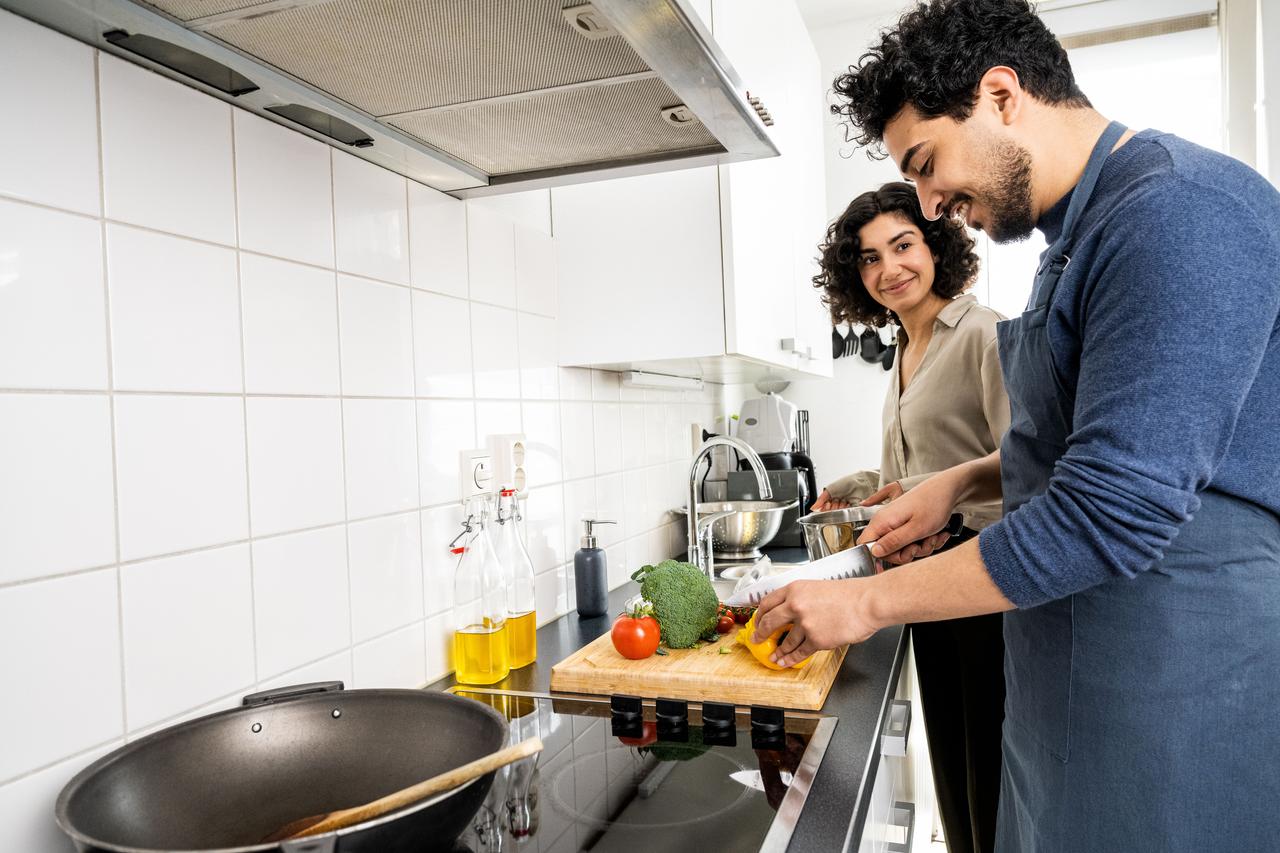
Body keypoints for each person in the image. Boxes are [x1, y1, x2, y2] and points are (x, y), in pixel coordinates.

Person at [753, 1, 1280, 851]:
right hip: (1064, 690)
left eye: (925, 164)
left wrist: (865, 603)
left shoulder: (1180, 213)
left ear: (1001, 96)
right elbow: (1070, 444)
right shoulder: (1074, 241)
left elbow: (1112, 510)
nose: (928, 202)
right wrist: (955, 481)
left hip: (1175, 700)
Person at [810, 181, 1008, 853]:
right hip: (926, 589)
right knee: (953, 770)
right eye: (868, 258)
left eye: (902, 246)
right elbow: (923, 466)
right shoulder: (902, 350)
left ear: (935, 246)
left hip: (984, 588)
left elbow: (1024, 463)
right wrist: (862, 485)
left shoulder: (982, 332)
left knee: (992, 781)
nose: (888, 269)